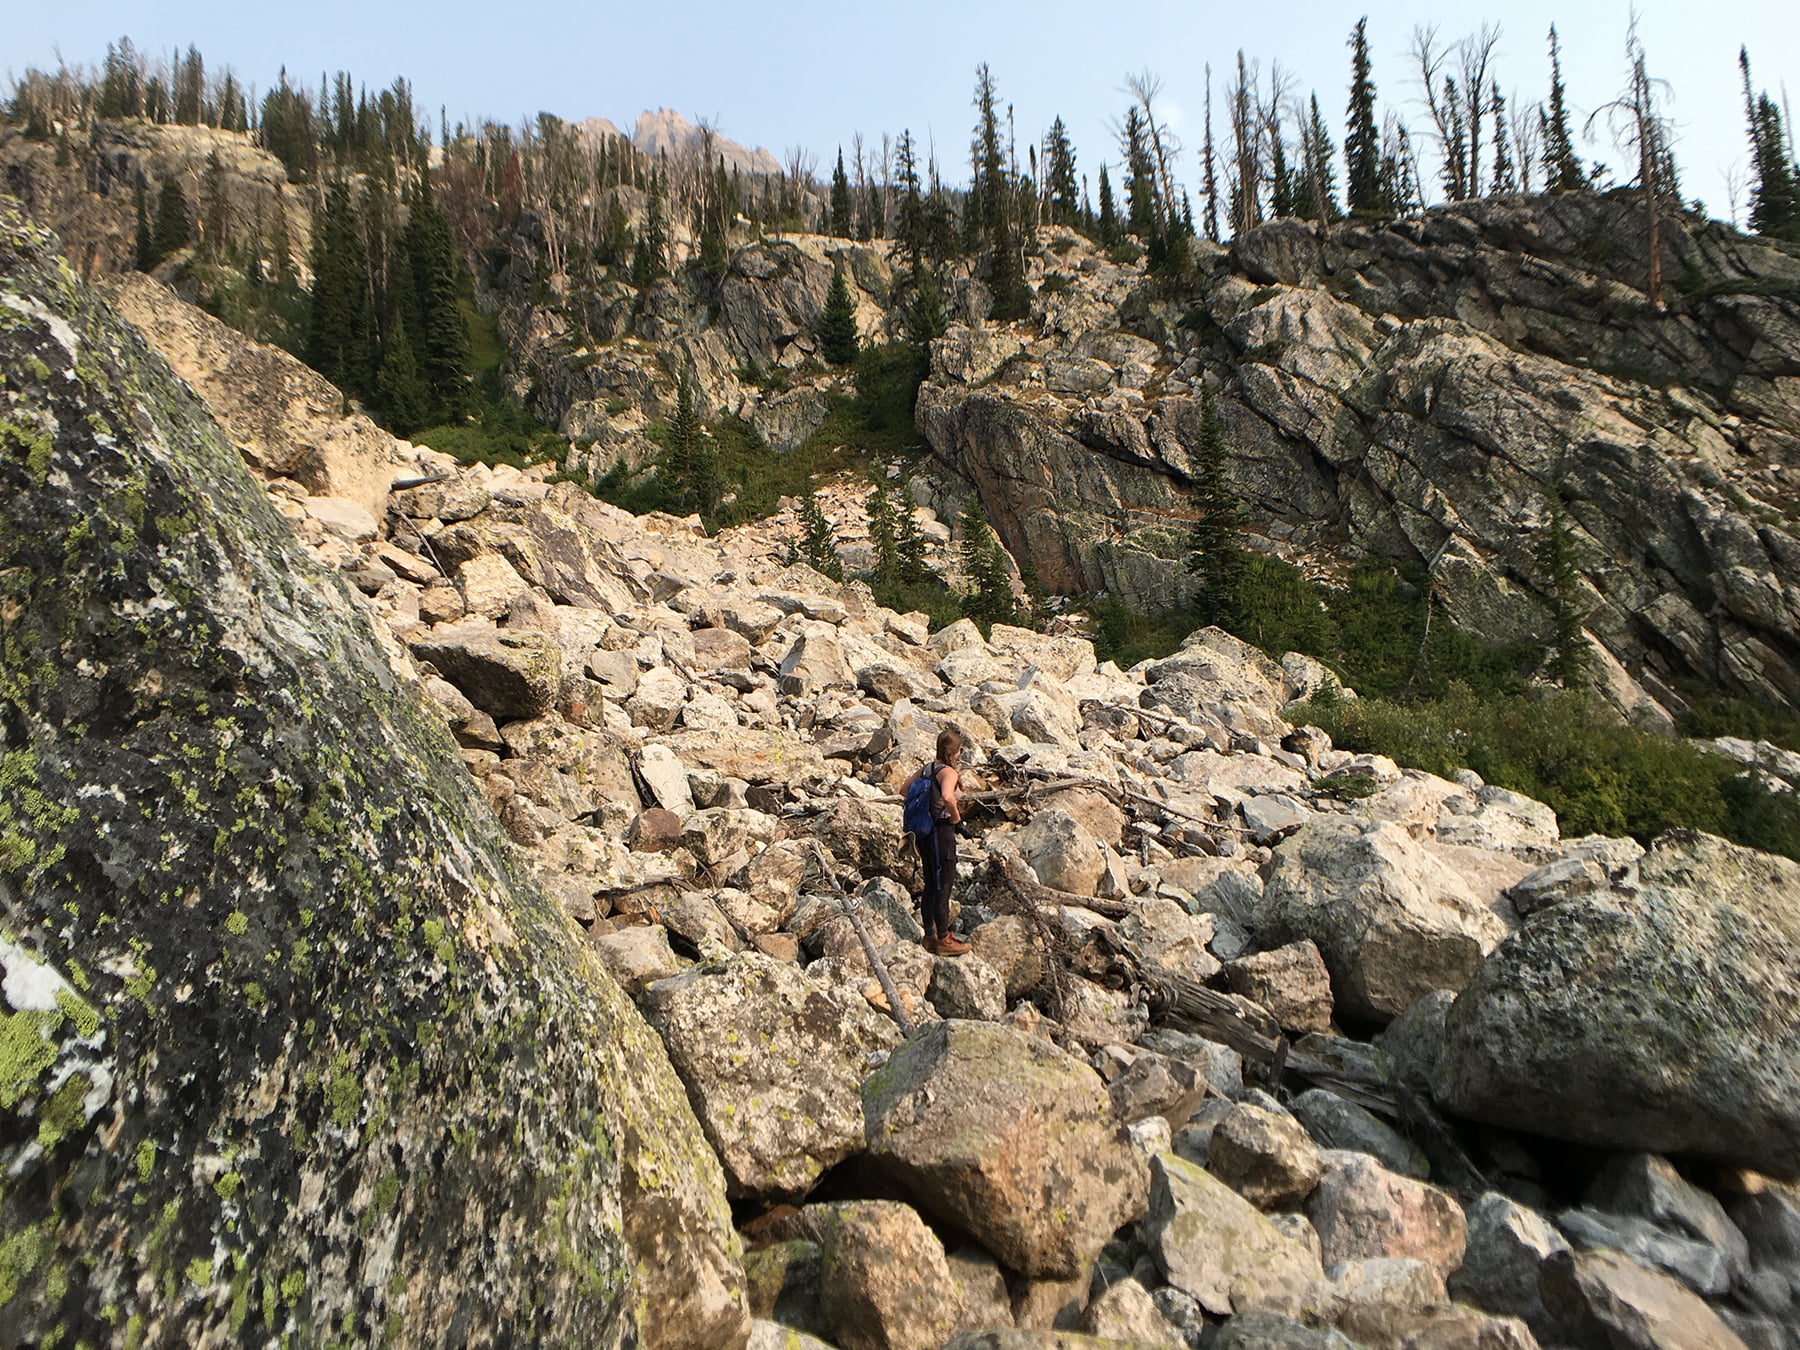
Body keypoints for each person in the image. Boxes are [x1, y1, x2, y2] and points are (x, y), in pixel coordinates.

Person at [918, 729, 970, 956]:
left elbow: (903, 790)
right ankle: (943, 940)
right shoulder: (948, 772)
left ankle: (929, 936)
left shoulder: (927, 768)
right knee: (944, 886)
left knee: (930, 884)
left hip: (925, 833)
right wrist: (956, 819)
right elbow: (949, 796)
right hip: (942, 833)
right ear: (957, 751)